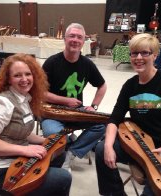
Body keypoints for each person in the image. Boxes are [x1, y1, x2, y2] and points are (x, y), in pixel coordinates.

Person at [0, 53, 72, 196]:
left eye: (28, 74)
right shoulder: (1, 103)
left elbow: (20, 131)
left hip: (13, 162)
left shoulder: (24, 98)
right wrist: (25, 150)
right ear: (8, 79)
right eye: (17, 75)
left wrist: (44, 140)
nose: (24, 79)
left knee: (58, 155)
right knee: (63, 178)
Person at [95, 33, 161, 196]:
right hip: (137, 144)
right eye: (134, 53)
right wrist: (107, 146)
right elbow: (114, 119)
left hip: (160, 149)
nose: (138, 58)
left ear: (154, 56)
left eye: (144, 53)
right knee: (100, 150)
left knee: (155, 189)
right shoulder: (130, 85)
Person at [41, 23, 107, 171]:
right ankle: (65, 146)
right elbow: (39, 92)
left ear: (84, 42)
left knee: (102, 125)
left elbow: (102, 86)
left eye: (79, 37)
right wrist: (65, 100)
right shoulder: (52, 62)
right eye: (72, 36)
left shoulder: (87, 64)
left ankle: (70, 153)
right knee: (54, 133)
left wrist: (94, 106)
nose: (75, 40)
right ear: (65, 39)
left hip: (76, 113)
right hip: (52, 112)